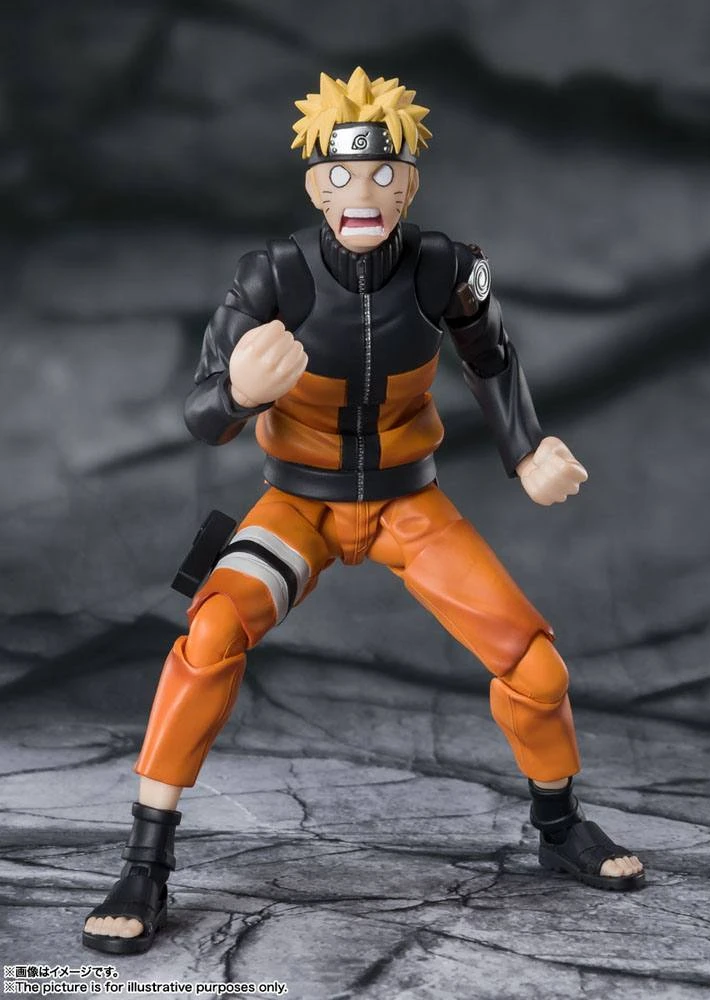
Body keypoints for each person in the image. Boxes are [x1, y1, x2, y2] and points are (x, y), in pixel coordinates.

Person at [83, 67, 644, 956]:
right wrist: (236, 392)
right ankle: (145, 861)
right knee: (210, 633)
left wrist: (527, 450)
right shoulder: (270, 276)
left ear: (409, 185)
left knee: (536, 669)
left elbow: (492, 357)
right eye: (342, 173)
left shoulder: (447, 268)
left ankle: (559, 824)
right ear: (316, 186)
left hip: (407, 505)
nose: (364, 191)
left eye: (384, 173)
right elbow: (198, 413)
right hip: (296, 507)